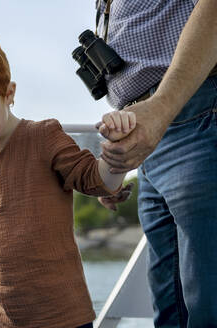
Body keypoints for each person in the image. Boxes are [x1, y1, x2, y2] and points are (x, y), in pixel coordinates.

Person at [0, 19, 136, 328]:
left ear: (8, 93)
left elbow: (96, 180)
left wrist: (116, 155)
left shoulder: (43, 136)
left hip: (60, 316)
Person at [92, 1, 217, 326]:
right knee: (170, 313)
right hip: (155, 132)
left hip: (196, 115)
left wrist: (160, 109)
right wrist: (118, 161)